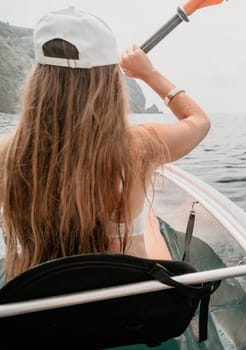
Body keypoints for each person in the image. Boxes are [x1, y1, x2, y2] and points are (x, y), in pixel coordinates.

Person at [0, 7, 210, 282]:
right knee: (147, 217)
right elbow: (198, 121)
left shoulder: (7, 154)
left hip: (42, 316)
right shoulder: (137, 147)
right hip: (125, 314)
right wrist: (149, 73)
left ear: (38, 80)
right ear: (108, 81)